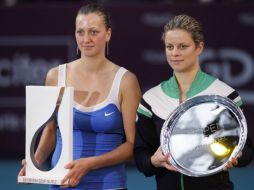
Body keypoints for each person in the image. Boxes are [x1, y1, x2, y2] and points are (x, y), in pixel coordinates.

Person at [19, 3, 141, 190]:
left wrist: (89, 164)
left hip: (110, 186)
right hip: (62, 185)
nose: (86, 39)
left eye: (93, 32)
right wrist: (34, 163)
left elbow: (131, 146)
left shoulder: (126, 81)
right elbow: (50, 132)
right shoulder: (55, 76)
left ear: (108, 34)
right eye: (80, 32)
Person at [134, 14, 253, 190]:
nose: (175, 53)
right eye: (169, 46)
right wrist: (153, 161)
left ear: (199, 47)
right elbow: (141, 156)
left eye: (183, 46)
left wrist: (237, 157)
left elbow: (247, 151)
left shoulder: (225, 95)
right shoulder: (151, 99)